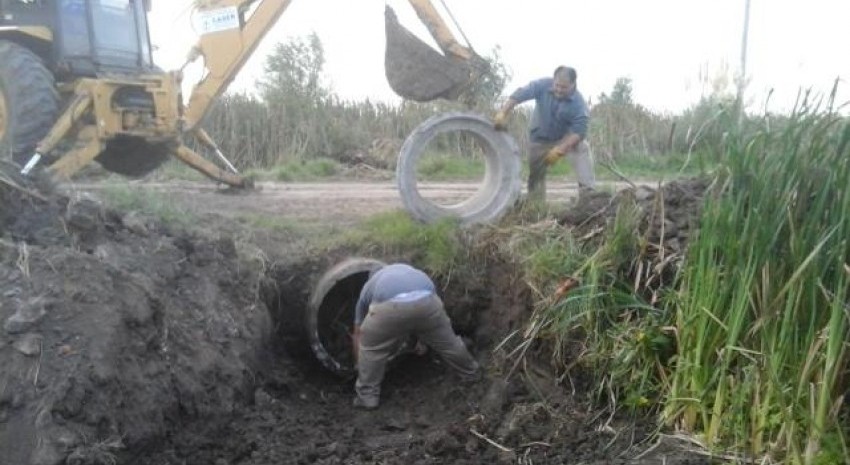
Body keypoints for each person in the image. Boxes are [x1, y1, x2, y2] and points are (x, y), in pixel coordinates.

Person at [351, 263, 480, 410]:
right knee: (449, 344)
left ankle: (367, 397)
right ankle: (471, 372)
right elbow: (420, 313)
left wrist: (358, 364)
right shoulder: (410, 270)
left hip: (389, 308)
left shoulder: (369, 286)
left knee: (371, 349)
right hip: (428, 302)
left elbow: (358, 334)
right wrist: (422, 342)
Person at [493, 66, 596, 202]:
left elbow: (579, 132)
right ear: (553, 80)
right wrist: (503, 112)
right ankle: (536, 204)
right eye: (557, 85)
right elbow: (520, 94)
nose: (559, 90)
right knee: (536, 176)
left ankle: (588, 195)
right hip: (539, 139)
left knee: (582, 147)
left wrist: (560, 150)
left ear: (573, 85)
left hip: (564, 139)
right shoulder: (542, 85)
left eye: (564, 87)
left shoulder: (579, 104)